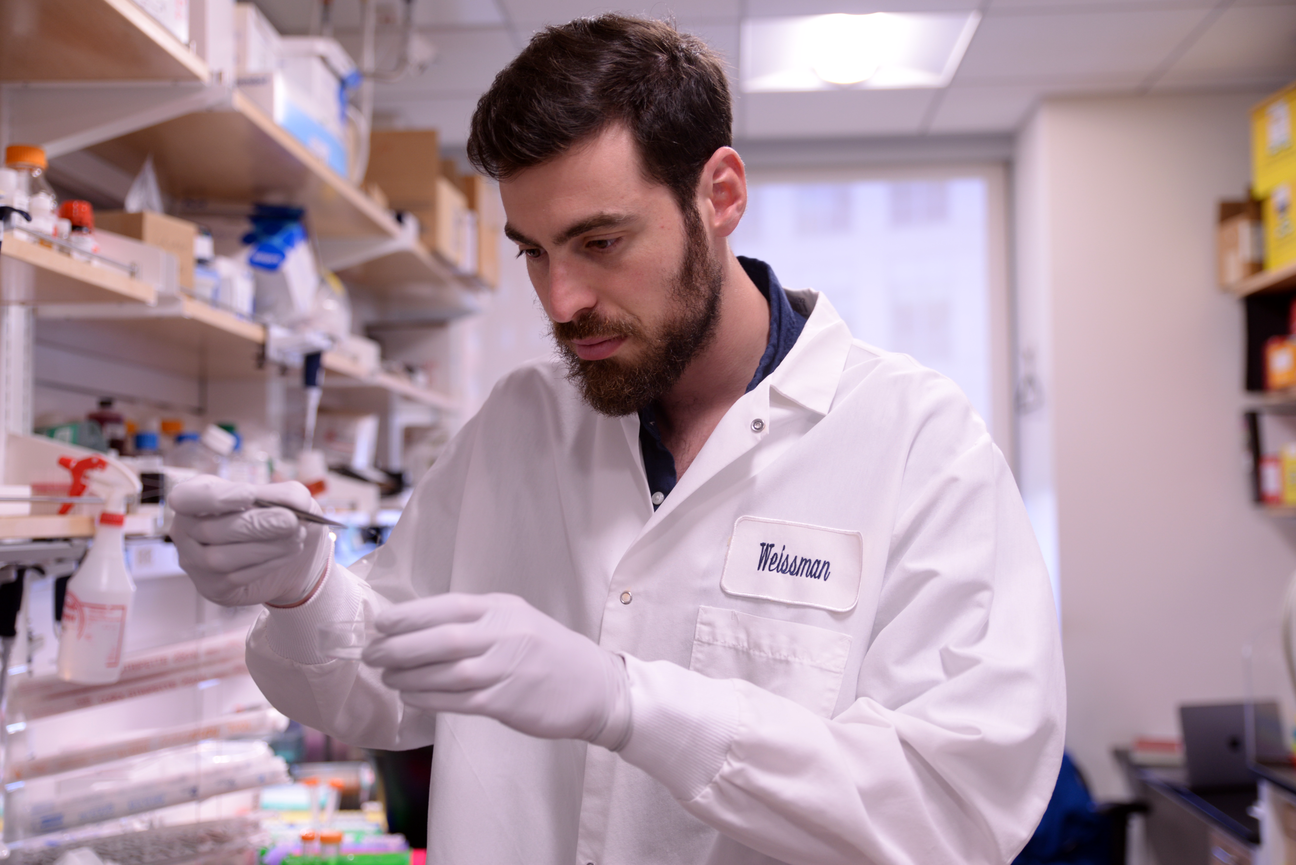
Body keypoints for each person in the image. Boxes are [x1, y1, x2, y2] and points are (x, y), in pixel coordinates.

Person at [169, 14, 1065, 865]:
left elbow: (953, 808)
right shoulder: (521, 423)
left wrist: (631, 703)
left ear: (720, 195)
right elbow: (377, 689)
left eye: (600, 240)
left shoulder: (916, 442)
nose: (561, 301)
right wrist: (302, 589)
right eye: (534, 250)